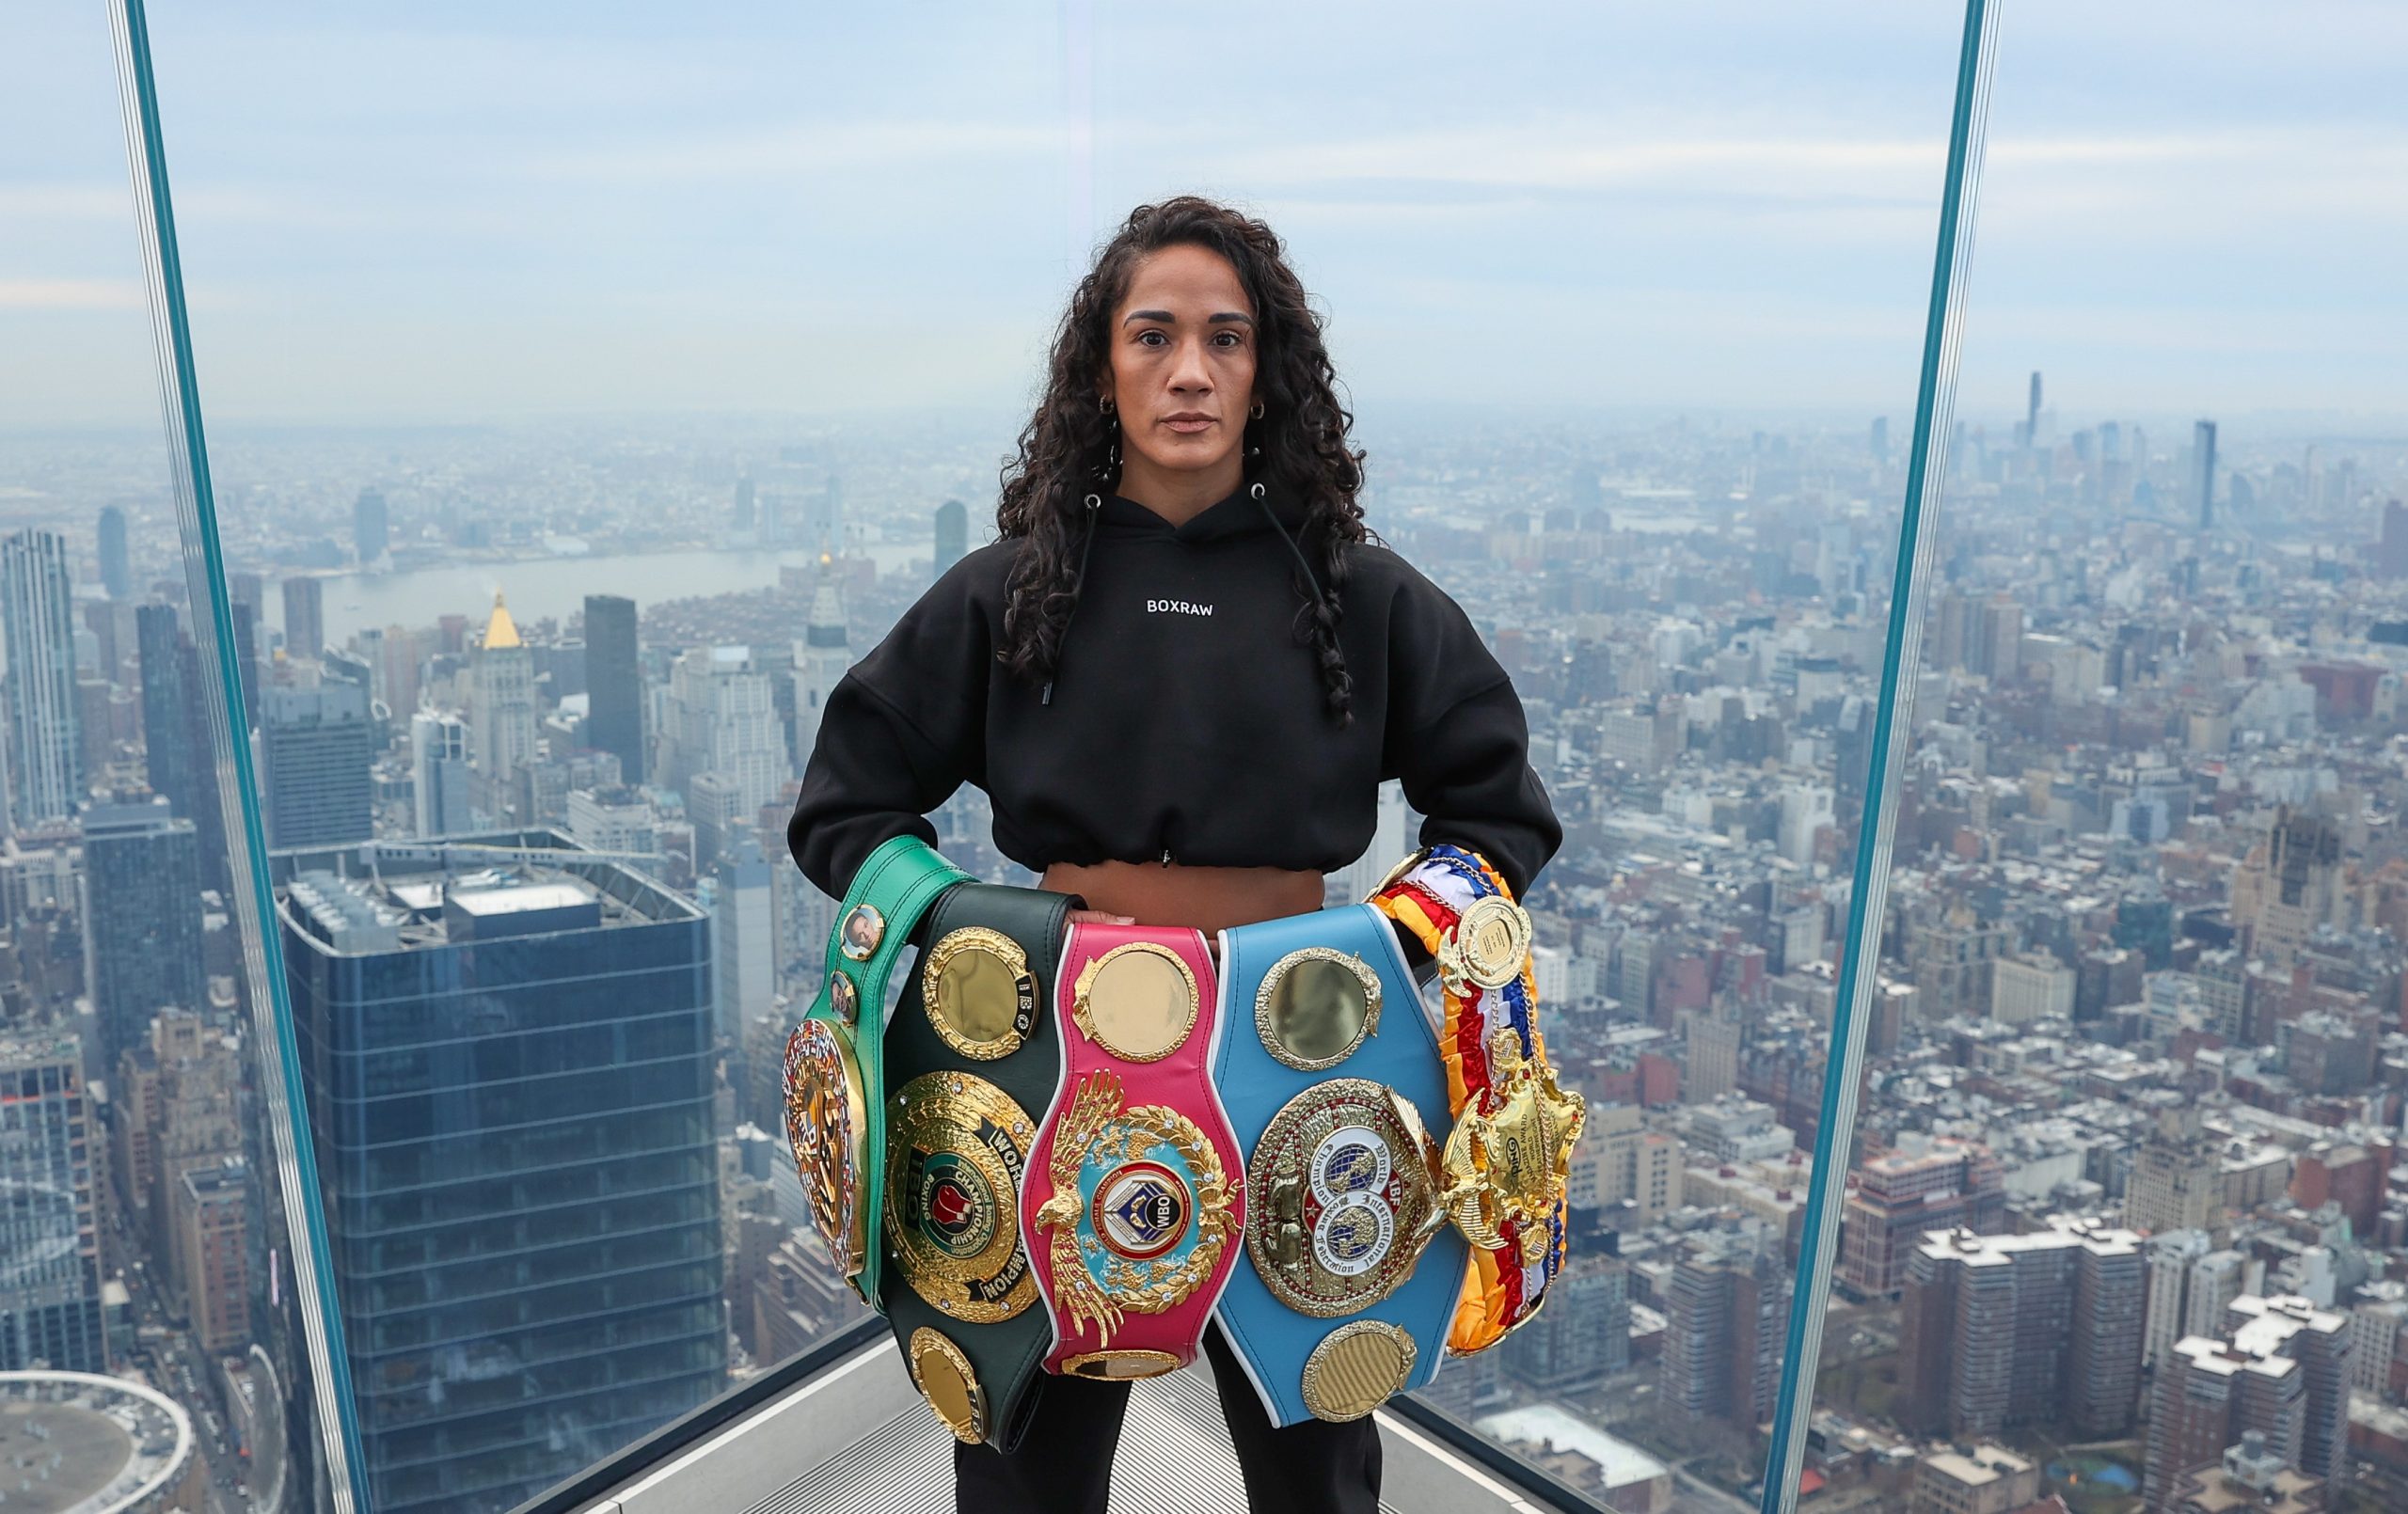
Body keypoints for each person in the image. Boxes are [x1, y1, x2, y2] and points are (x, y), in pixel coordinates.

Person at [786, 195, 1561, 1514]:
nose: (1188, 370)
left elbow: (1500, 812)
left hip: (1308, 1059)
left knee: (1314, 1475)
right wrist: (983, 944)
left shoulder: (1357, 593)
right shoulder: (1010, 585)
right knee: (1027, 1465)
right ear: (1103, 367)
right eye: (1151, 336)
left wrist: (1385, 942)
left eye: (1224, 337)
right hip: (1054, 1062)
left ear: (1270, 372)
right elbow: (843, 806)